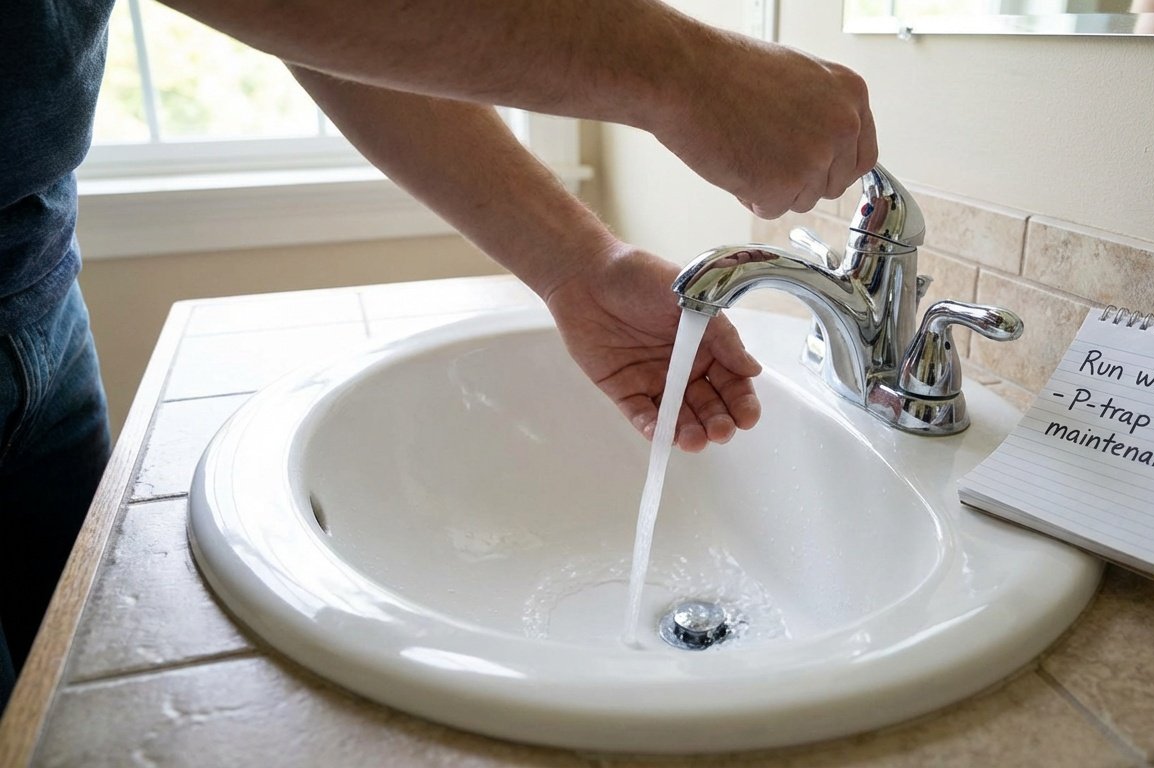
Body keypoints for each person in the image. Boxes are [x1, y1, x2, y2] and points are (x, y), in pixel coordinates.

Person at [0, 0, 877, 710]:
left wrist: (582, 265)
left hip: (38, 276)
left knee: (63, 695)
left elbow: (335, 27)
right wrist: (691, 74)